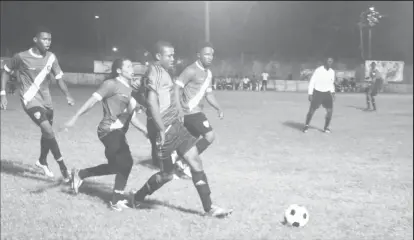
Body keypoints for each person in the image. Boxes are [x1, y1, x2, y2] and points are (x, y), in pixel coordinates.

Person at [130, 41, 232, 218]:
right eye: (169, 55)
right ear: (158, 57)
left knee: (195, 161)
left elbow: (147, 95)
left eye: (173, 54)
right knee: (166, 175)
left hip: (175, 125)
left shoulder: (163, 72)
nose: (172, 58)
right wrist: (161, 130)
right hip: (164, 128)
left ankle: (209, 208)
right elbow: (152, 102)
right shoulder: (155, 72)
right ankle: (138, 197)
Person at [61, 58, 148, 211]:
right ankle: (116, 200)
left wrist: (145, 131)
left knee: (116, 167)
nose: (131, 68)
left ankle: (80, 174)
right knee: (126, 162)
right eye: (128, 66)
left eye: (132, 66)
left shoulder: (130, 91)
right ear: (119, 70)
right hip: (108, 130)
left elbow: (131, 117)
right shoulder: (111, 84)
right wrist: (75, 116)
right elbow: (91, 101)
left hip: (119, 132)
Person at [0, 26, 74, 181]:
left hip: (47, 101)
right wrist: (3, 93)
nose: (48, 42)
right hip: (29, 100)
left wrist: (68, 95)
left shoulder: (52, 57)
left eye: (50, 39)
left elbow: (59, 78)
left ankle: (42, 161)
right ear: (35, 40)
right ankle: (64, 169)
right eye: (44, 39)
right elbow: (6, 71)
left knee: (47, 134)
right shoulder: (21, 56)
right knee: (49, 131)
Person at [174, 42, 224, 178]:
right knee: (210, 136)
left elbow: (209, 94)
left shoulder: (208, 74)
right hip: (190, 112)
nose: (210, 57)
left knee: (190, 141)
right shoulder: (191, 70)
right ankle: (183, 163)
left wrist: (218, 107)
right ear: (199, 55)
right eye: (206, 54)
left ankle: (177, 162)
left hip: (196, 112)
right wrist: (179, 109)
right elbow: (177, 88)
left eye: (212, 54)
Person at [303, 57, 335, 133]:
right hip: (318, 92)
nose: (330, 63)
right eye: (329, 61)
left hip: (327, 93)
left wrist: (333, 92)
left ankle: (326, 127)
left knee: (330, 111)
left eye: (331, 62)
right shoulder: (318, 70)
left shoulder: (332, 72)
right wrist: (310, 93)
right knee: (311, 111)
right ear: (325, 62)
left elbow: (331, 83)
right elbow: (312, 82)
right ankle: (306, 125)